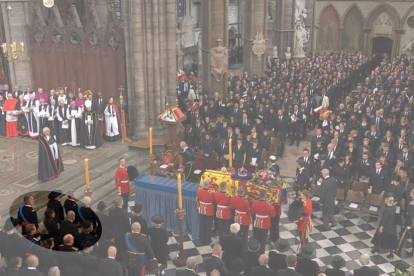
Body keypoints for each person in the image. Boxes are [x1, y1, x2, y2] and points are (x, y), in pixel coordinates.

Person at [371, 193, 398, 259]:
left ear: (387, 200)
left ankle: (376, 248)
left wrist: (381, 226)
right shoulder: (393, 207)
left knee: (378, 235)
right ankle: (391, 253)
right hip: (392, 225)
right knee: (391, 239)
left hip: (385, 225)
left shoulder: (387, 209)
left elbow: (384, 218)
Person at [197, 179, 215, 245]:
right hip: (209, 210)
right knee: (208, 226)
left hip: (202, 210)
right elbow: (213, 201)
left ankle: (201, 240)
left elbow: (198, 199)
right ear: (208, 185)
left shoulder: (199, 191)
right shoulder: (211, 193)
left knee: (202, 225)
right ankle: (207, 240)